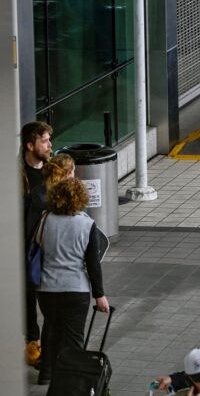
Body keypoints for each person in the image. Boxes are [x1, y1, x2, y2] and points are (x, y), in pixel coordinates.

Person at [35, 178, 110, 386]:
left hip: (47, 288)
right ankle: (71, 381)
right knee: (74, 338)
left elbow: (38, 245)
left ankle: (46, 373)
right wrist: (99, 295)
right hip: (76, 290)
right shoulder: (87, 224)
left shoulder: (45, 219)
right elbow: (93, 264)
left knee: (51, 329)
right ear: (81, 199)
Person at [21, 120, 53, 367]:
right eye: (44, 140)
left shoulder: (52, 171)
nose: (49, 145)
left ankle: (51, 346)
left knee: (51, 298)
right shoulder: (17, 175)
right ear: (30, 145)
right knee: (28, 296)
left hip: (49, 248)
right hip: (24, 248)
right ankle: (33, 341)